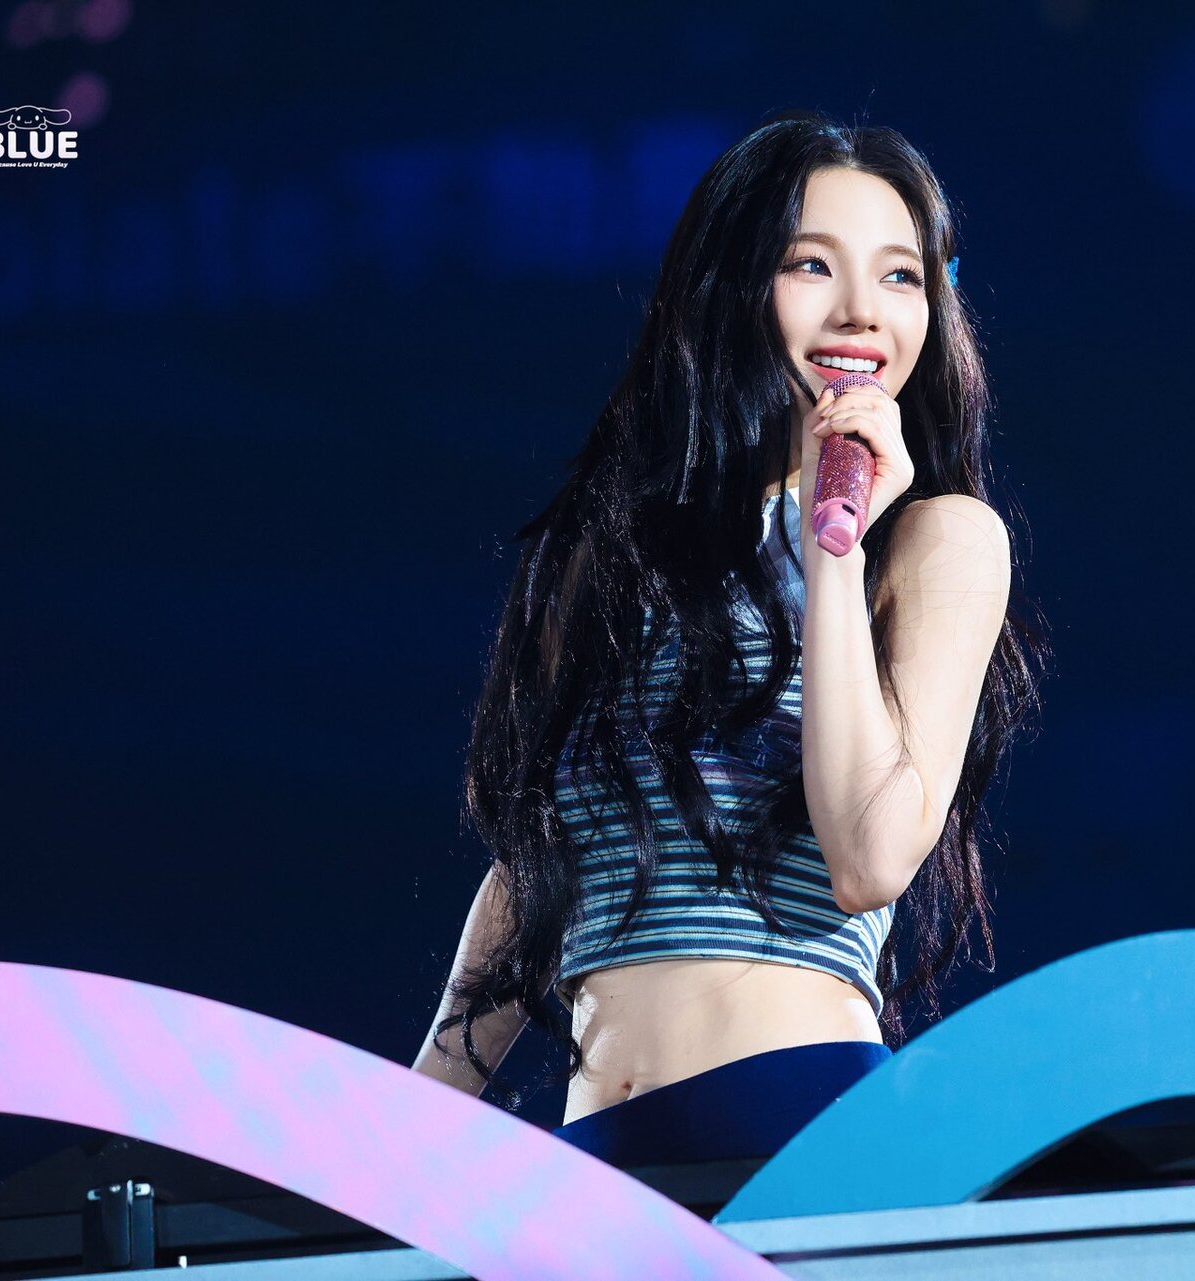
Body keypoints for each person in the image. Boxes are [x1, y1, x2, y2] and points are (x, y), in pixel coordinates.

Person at [411, 108, 1047, 1169]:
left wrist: (835, 543)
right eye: (812, 264)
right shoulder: (612, 552)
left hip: (800, 1120)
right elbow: (538, 864)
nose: (861, 310)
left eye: (900, 276)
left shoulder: (935, 540)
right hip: (596, 1151)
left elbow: (871, 857)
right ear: (733, 285)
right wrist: (407, 1128)